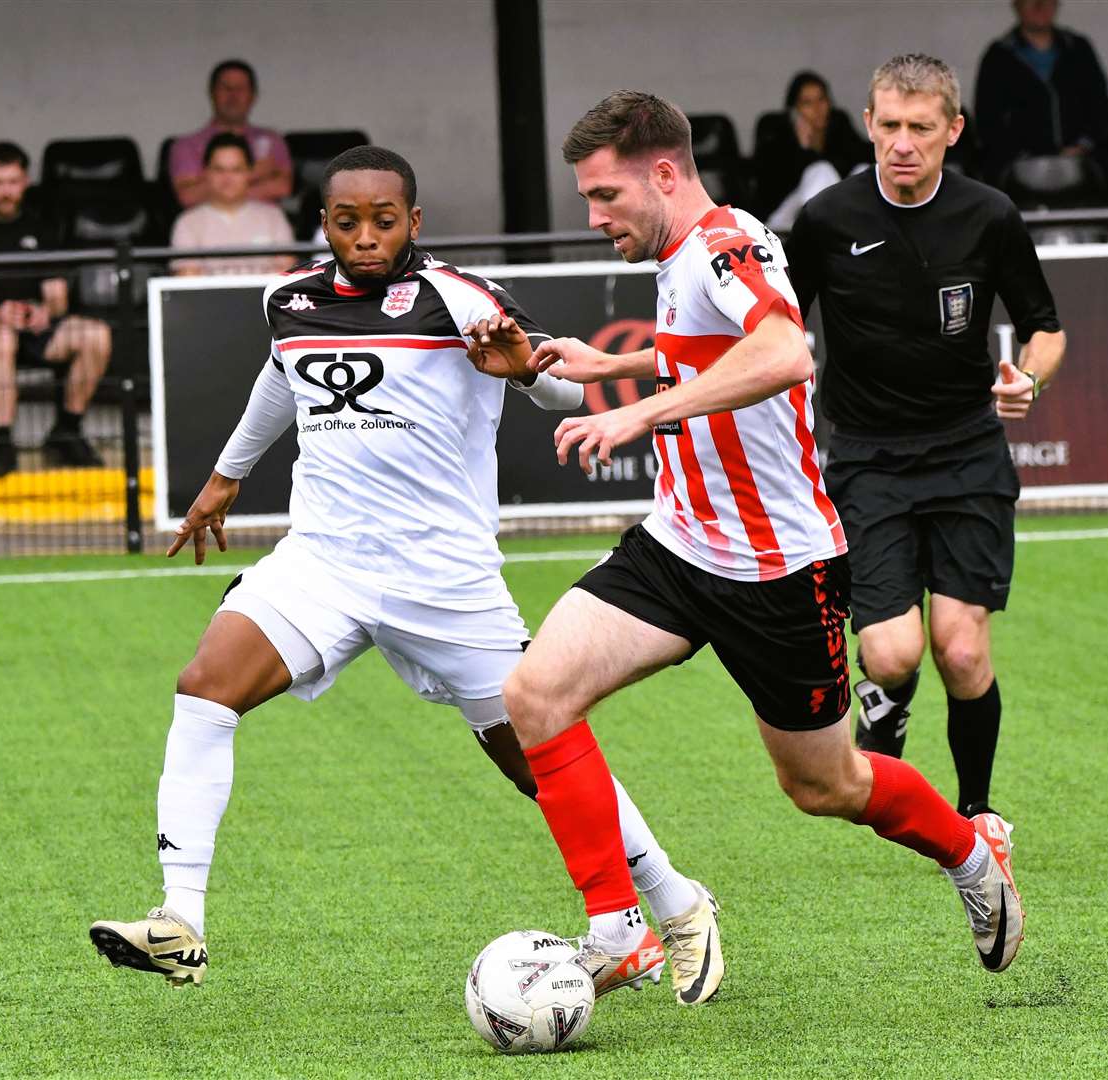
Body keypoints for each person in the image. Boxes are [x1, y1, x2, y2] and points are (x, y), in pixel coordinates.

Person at [90, 146, 724, 1006]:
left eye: (382, 221)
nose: (364, 237)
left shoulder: (461, 299)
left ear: (413, 222)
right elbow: (280, 380)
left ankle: (676, 905)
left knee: (537, 759)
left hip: (446, 580)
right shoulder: (291, 300)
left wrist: (523, 377)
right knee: (205, 688)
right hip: (324, 561)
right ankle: (180, 919)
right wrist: (225, 476)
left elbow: (562, 390)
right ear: (324, 223)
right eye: (346, 221)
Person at [500, 90, 1025, 990]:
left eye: (605, 197)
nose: (593, 218)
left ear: (663, 175)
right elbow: (707, 351)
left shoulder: (724, 243)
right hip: (678, 545)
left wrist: (639, 413)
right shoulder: (675, 254)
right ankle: (618, 926)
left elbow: (785, 352)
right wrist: (612, 363)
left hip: (778, 567)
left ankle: (971, 856)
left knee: (826, 787)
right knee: (534, 697)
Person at [787, 56, 1064, 825]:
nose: (901, 143)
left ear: (952, 129)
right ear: (868, 124)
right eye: (887, 125)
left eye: (918, 127)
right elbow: (773, 327)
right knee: (891, 654)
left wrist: (1027, 382)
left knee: (963, 649)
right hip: (867, 458)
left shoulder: (989, 215)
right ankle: (887, 706)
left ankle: (975, 814)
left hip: (967, 452)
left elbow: (1044, 329)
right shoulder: (825, 220)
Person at [0, 146, 111, 477]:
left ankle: (68, 430)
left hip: (33, 329)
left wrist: (43, 311)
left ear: (26, 181)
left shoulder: (41, 226)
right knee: (3, 337)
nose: (6, 191)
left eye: (13, 182)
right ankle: (3, 443)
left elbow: (57, 296)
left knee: (96, 334)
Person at [975, 0, 1108, 184]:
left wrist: (1082, 146)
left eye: (1047, 0)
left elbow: (1100, 106)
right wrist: (1022, 155)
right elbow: (987, 120)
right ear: (1017, 5)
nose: (1040, 5)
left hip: (1083, 163)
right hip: (1017, 168)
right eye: (1031, 1)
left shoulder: (1079, 49)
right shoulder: (998, 56)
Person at [168, 59, 293, 210]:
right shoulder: (185, 146)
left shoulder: (272, 141)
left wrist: (215, 185)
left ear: (253, 96)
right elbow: (188, 197)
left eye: (240, 88)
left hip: (265, 229)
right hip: (207, 230)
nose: (233, 95)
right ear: (212, 93)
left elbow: (282, 188)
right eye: (225, 87)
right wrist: (255, 173)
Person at [753, 71, 871, 230]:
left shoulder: (838, 123)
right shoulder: (779, 135)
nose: (817, 108)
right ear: (794, 109)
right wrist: (803, 147)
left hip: (835, 213)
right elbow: (776, 190)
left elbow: (860, 157)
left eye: (821, 99)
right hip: (785, 218)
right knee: (821, 171)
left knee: (863, 170)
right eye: (807, 103)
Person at [169, 133, 296, 275]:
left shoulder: (274, 218)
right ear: (206, 173)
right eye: (219, 169)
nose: (227, 178)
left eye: (236, 170)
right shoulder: (188, 222)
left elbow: (286, 277)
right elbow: (187, 281)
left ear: (250, 172)